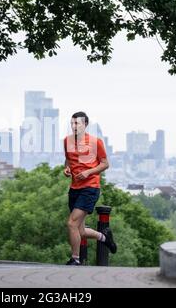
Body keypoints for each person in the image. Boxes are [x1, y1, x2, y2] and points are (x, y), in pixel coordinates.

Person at [63, 111, 117, 265]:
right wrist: (67, 169)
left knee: (71, 223)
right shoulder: (67, 141)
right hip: (75, 188)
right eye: (72, 123)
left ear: (85, 125)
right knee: (79, 230)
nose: (74, 126)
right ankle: (105, 238)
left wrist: (88, 172)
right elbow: (68, 160)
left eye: (77, 123)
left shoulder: (95, 142)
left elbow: (105, 164)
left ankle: (75, 259)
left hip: (90, 187)